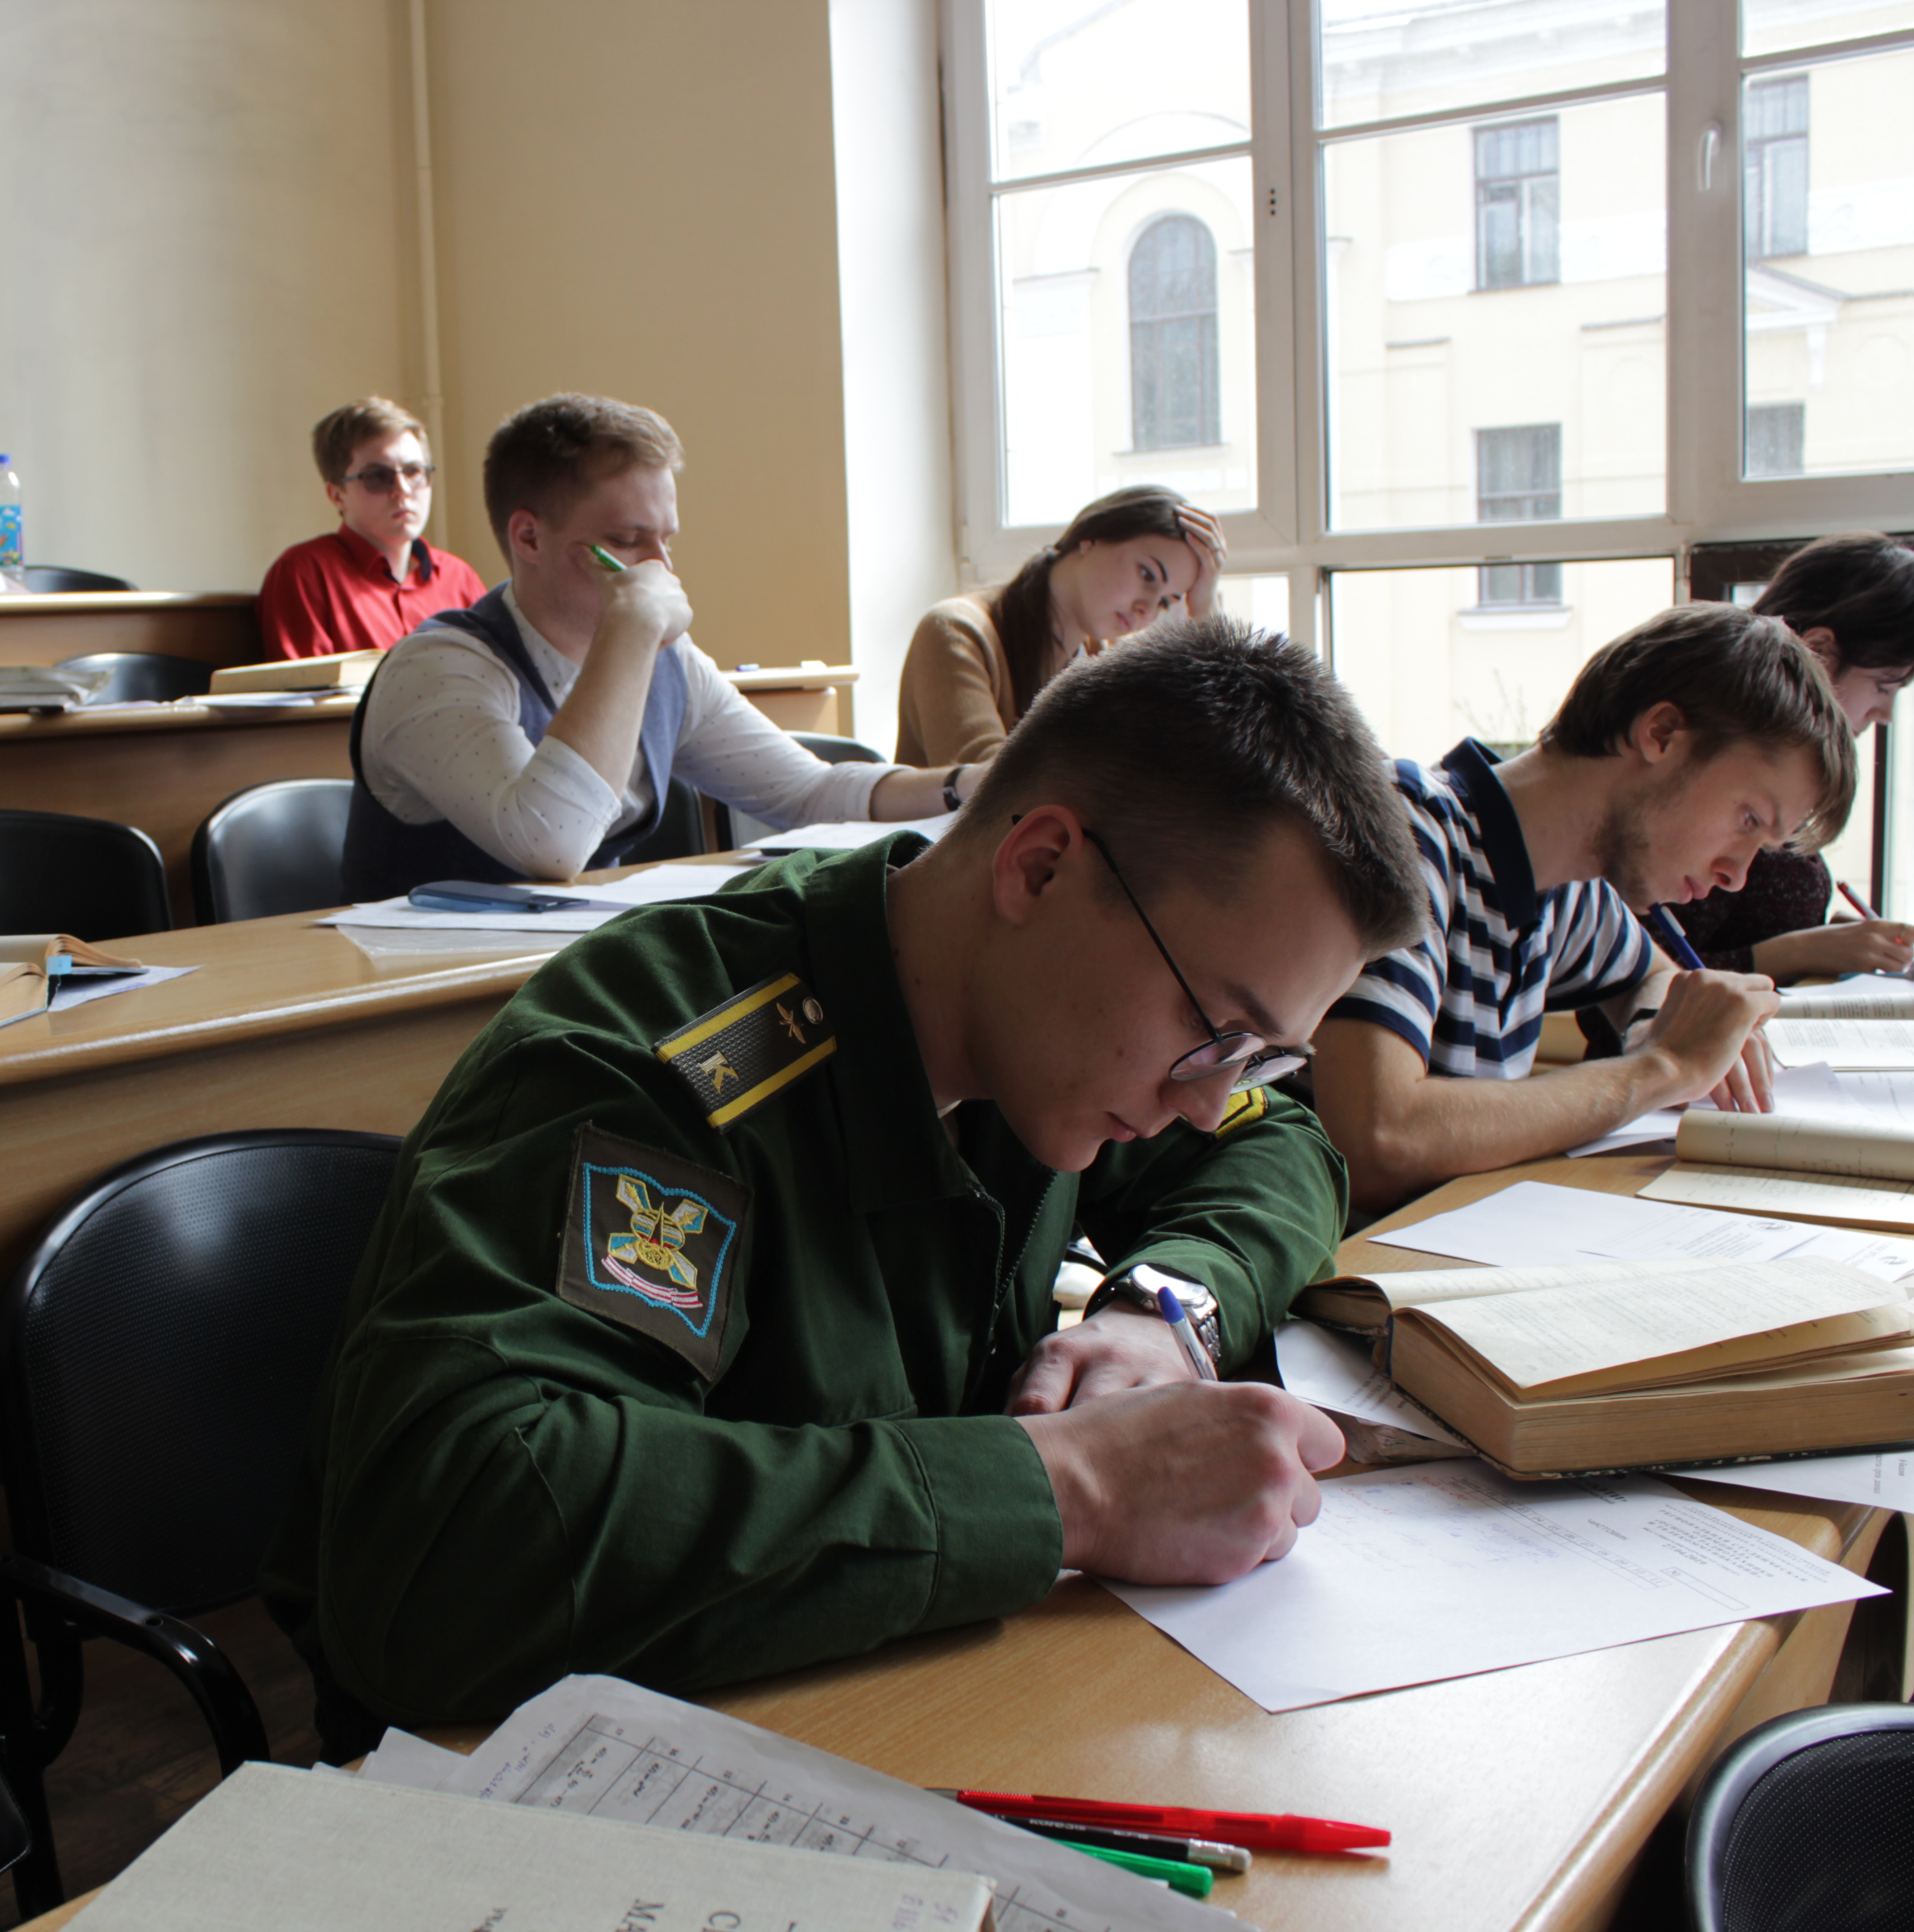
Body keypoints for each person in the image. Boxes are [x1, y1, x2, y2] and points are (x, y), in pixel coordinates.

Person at [267, 615, 1432, 1744]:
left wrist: (1162, 1311)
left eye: (1256, 1055)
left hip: (878, 1706)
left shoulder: (1046, 1040)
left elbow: (1276, 1147)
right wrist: (1069, 1487)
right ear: (1038, 868)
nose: (1207, 1096)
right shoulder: (662, 1067)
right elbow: (449, 1552)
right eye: (1215, 1029)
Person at [1306, 603, 1858, 1220]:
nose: (1737, 875)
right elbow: (1378, 1141)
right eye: (1748, 819)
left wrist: (1659, 1024)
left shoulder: (1570, 888)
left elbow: (1657, 978)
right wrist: (1666, 1066)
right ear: (1661, 734)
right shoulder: (1405, 833)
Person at [344, 393, 970, 902]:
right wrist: (633, 623)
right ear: (529, 538)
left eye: (666, 540)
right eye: (627, 540)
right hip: (412, 995)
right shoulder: (438, 668)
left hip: (564, 975)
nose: (661, 568)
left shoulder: (665, 663)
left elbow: (808, 794)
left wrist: (970, 787)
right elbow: (552, 843)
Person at [1667, 533, 1914, 979]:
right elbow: (1625, 984)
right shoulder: (1723, 766)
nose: (1885, 715)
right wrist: (1800, 952)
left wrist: (1828, 943)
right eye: (1883, 686)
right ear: (1818, 653)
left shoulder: (1783, 772)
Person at [895, 484, 1224, 767]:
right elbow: (986, 789)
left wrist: (1205, 613)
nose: (1147, 609)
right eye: (1148, 575)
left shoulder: (1106, 663)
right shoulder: (958, 632)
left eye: (1166, 602)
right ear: (1090, 538)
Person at [257, 396, 486, 660]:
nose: (403, 490)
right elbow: (306, 684)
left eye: (413, 471)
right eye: (378, 476)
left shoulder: (460, 578)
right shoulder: (304, 573)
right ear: (337, 495)